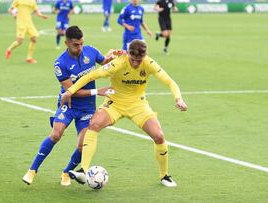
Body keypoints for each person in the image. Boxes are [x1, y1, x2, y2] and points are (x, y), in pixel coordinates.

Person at [61, 39, 188, 187]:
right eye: (132, 59)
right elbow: (91, 76)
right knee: (94, 124)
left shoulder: (149, 63)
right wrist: (70, 91)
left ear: (144, 56)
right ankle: (83, 170)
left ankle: (164, 176)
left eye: (138, 60)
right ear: (128, 54)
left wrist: (178, 99)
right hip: (115, 102)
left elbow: (170, 82)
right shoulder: (118, 63)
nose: (135, 63)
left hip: (138, 104)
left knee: (159, 136)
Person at [22, 26, 123, 186]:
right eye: (76, 44)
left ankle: (67, 172)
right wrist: (98, 91)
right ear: (67, 43)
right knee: (55, 135)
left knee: (83, 145)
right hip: (68, 105)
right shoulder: (60, 63)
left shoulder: (90, 51)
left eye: (82, 43)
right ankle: (32, 170)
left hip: (87, 108)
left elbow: (103, 61)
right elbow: (72, 91)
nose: (80, 47)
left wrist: (112, 56)